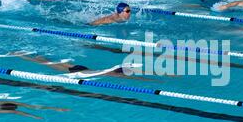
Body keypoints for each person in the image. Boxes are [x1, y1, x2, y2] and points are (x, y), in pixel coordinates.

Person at [12, 52, 147, 80]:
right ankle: (19, 55)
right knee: (43, 63)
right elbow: (134, 79)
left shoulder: (111, 70)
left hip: (83, 68)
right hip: (79, 73)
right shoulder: (112, 73)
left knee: (46, 61)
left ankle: (30, 54)